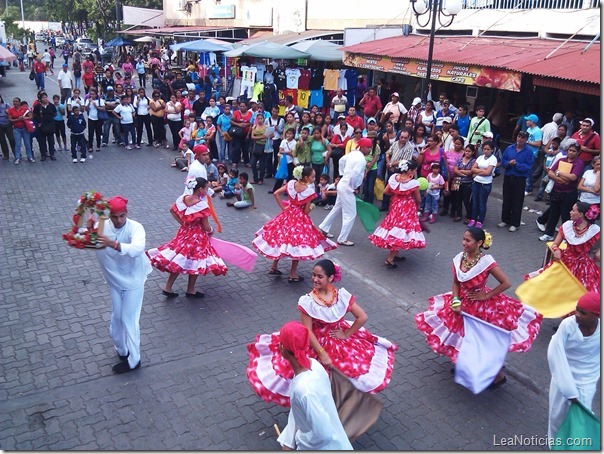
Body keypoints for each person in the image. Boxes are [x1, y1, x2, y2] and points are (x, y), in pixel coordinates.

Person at [247, 259, 397, 406]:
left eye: (320, 276)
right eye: (313, 275)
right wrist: (322, 353)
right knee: (319, 377)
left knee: (344, 374)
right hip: (316, 344)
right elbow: (308, 331)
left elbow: (362, 317)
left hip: (339, 343)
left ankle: (334, 404)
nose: (315, 279)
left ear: (330, 278)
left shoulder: (342, 296)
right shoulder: (307, 301)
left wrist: (346, 334)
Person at [415, 227, 543, 387]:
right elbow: (456, 282)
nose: (463, 243)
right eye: (463, 239)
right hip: (461, 305)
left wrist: (486, 295)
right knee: (462, 338)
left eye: (468, 240)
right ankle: (463, 365)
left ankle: (498, 377)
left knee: (481, 343)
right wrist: (455, 301)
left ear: (479, 243)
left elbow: (506, 283)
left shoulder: (487, 262)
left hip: (481, 309)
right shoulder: (459, 258)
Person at [273, 321, 353, 451]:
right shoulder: (314, 365)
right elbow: (298, 411)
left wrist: (299, 441)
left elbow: (323, 435)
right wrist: (287, 441)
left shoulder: (304, 389)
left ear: (282, 348)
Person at [95, 196, 152, 373]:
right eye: (115, 217)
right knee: (116, 320)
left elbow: (136, 250)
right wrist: (86, 220)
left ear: (127, 213)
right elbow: (82, 236)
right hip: (114, 282)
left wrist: (113, 244)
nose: (119, 220)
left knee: (129, 320)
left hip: (134, 282)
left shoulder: (136, 227)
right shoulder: (102, 226)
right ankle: (122, 351)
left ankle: (134, 360)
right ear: (109, 216)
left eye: (122, 216)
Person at [147, 177, 227, 299]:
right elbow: (205, 226)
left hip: (184, 233)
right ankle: (191, 289)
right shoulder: (202, 205)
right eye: (206, 188)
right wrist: (211, 230)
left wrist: (183, 223)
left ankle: (168, 287)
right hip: (197, 237)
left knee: (178, 259)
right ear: (200, 189)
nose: (207, 191)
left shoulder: (183, 199)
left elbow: (172, 210)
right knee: (195, 261)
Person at [253, 165, 336, 282]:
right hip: (299, 219)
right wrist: (312, 205)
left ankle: (274, 266)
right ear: (306, 177)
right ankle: (292, 274)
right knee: (296, 245)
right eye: (312, 177)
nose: (314, 178)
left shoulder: (291, 183)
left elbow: (276, 193)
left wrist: (283, 208)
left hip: (287, 215)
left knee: (281, 240)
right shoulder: (309, 191)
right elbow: (306, 211)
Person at [547, 291, 600, 442]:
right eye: (576, 309)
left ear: (596, 315)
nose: (576, 314)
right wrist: (569, 390)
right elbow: (555, 354)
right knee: (556, 417)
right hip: (562, 378)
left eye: (582, 312)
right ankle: (556, 446)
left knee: (581, 419)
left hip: (587, 381)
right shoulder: (567, 325)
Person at [527, 202, 600, 293]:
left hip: (583, 266)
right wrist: (556, 250)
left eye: (573, 210)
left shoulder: (594, 230)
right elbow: (555, 244)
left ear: (580, 214)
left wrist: (599, 252)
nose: (570, 212)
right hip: (565, 261)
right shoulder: (568, 226)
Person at [369, 159, 425, 266]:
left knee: (394, 228)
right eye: (414, 170)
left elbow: (386, 191)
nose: (414, 172)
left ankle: (396, 253)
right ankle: (390, 259)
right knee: (400, 232)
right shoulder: (413, 183)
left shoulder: (394, 178)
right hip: (407, 209)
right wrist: (416, 206)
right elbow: (418, 199)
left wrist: (397, 195)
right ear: (410, 171)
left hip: (395, 206)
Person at [318, 137, 372, 246]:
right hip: (348, 187)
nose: (370, 150)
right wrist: (354, 187)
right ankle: (342, 238)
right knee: (351, 213)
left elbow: (341, 160)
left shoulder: (353, 153)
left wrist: (342, 174)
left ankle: (323, 228)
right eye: (369, 147)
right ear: (364, 147)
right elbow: (356, 176)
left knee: (337, 208)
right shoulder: (361, 160)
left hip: (343, 184)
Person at [537, 143, 584, 242]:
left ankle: (565, 237)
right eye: (570, 150)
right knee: (553, 214)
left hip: (568, 193)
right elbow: (550, 173)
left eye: (574, 151)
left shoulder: (579, 163)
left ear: (578, 152)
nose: (571, 152)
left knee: (566, 216)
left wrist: (559, 173)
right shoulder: (561, 160)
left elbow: (573, 177)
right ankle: (548, 233)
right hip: (556, 191)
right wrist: (562, 179)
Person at [498, 131, 534, 232]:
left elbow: (528, 167)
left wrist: (517, 165)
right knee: (506, 199)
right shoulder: (510, 148)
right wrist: (509, 163)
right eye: (519, 136)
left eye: (523, 137)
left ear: (526, 139)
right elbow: (503, 162)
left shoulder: (529, 151)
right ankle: (505, 219)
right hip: (509, 177)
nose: (520, 139)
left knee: (517, 201)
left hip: (520, 178)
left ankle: (515, 223)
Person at [468, 140, 497, 229]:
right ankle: (473, 218)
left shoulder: (493, 159)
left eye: (488, 149)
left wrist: (477, 172)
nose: (486, 151)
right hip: (476, 182)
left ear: (492, 150)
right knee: (475, 202)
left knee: (482, 203)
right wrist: (482, 171)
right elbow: (472, 168)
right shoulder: (480, 157)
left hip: (485, 184)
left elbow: (488, 172)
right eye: (484, 149)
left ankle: (480, 220)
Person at [452, 144, 476, 223]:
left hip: (467, 183)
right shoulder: (460, 159)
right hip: (457, 181)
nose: (467, 153)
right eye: (466, 151)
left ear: (472, 152)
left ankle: (469, 216)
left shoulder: (474, 161)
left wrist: (461, 171)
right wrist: (462, 173)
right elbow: (455, 169)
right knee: (457, 199)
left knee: (466, 200)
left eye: (469, 151)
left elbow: (471, 171)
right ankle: (458, 215)